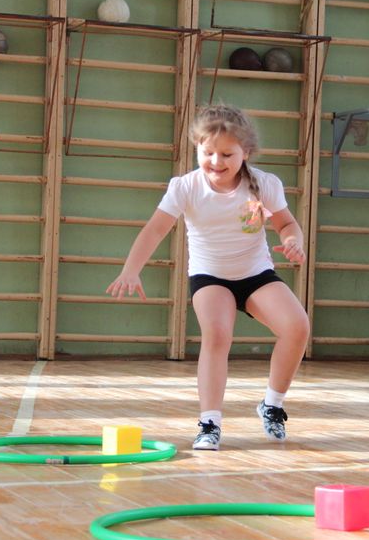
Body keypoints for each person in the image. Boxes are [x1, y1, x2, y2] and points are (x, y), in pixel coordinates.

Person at [106, 105, 310, 451]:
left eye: (227, 154)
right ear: (197, 148)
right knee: (217, 335)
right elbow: (156, 229)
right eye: (207, 152)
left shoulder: (263, 185)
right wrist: (131, 268)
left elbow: (286, 224)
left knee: (297, 327)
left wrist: (292, 241)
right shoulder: (186, 186)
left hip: (256, 273)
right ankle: (210, 422)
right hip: (210, 275)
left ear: (246, 153)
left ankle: (272, 404)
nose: (216, 161)